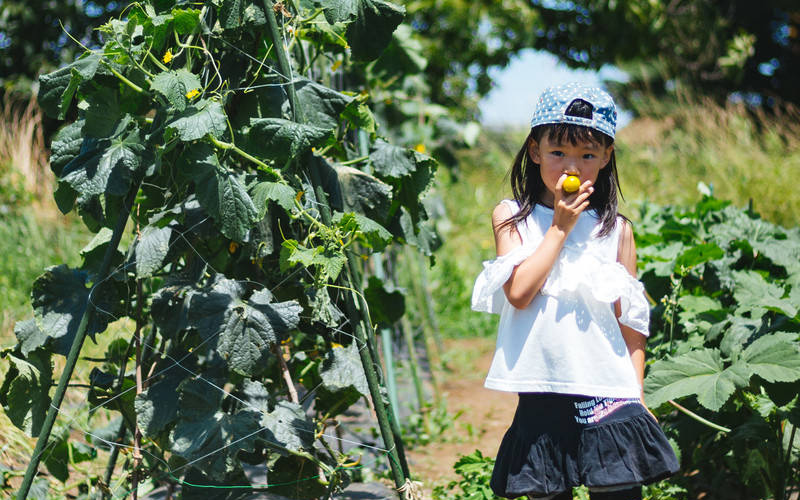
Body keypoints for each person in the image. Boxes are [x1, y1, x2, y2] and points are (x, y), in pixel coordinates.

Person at [471, 82, 679, 500]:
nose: (573, 166)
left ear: (606, 157)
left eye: (587, 154)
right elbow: (519, 293)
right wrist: (560, 229)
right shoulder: (512, 217)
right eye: (558, 153)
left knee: (619, 491)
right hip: (542, 385)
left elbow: (631, 321)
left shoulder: (616, 230)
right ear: (535, 151)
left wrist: (635, 393)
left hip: (607, 387)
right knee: (548, 491)